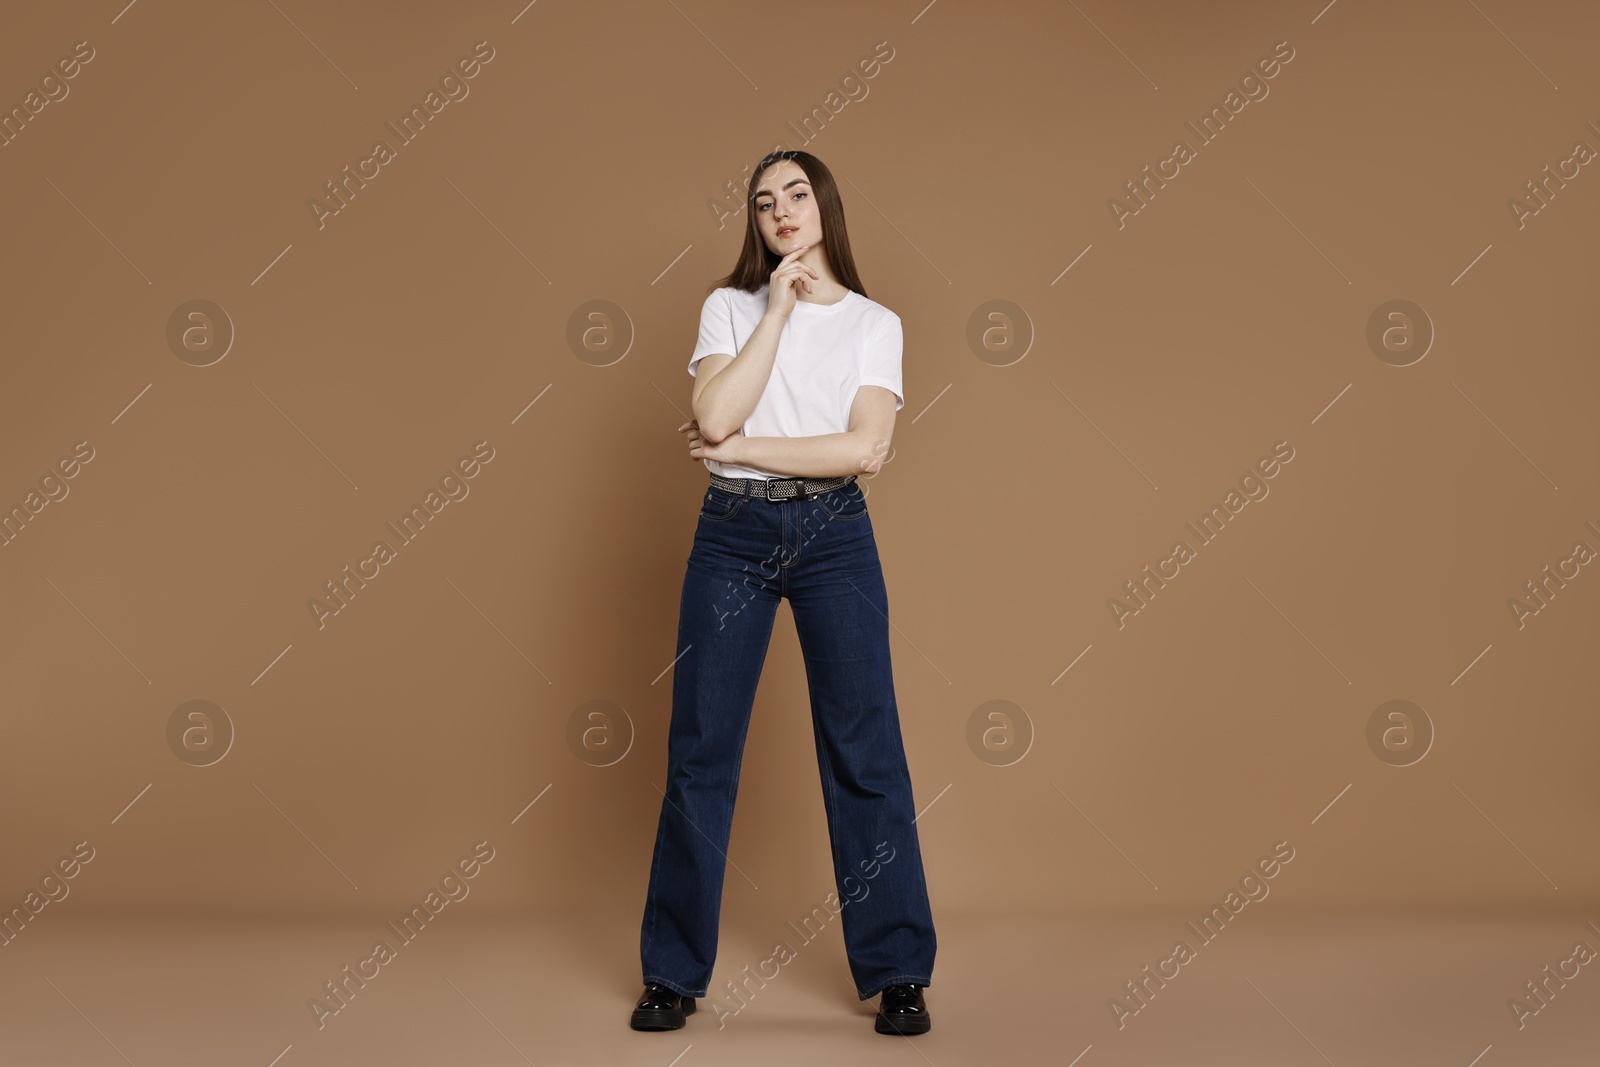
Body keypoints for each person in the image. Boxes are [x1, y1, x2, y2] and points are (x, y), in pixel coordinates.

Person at [630, 150, 936, 1037]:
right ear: (756, 224)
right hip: (732, 533)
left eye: (796, 194)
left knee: (864, 749)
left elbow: (863, 450)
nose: (782, 212)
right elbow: (717, 414)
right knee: (701, 749)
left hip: (834, 534)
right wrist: (775, 308)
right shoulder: (730, 307)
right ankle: (672, 972)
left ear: (826, 204)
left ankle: (899, 969)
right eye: (765, 204)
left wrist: (747, 449)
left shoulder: (877, 324)